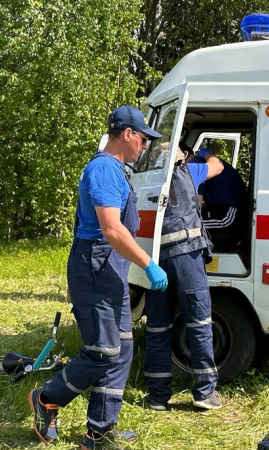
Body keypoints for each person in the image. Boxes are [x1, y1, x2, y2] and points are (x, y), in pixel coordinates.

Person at [29, 106, 168, 450]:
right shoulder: (104, 170)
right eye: (144, 139)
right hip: (94, 268)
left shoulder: (116, 170)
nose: (145, 146)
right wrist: (148, 263)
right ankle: (46, 398)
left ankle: (99, 431)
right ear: (128, 134)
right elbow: (111, 229)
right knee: (103, 351)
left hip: (110, 270)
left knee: (121, 349)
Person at [143, 143, 224, 412]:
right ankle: (204, 392)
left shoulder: (147, 181)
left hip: (155, 259)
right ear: (180, 158)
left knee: (157, 327)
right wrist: (205, 152)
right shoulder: (191, 170)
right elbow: (219, 167)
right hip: (187, 255)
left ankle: (157, 397)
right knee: (199, 322)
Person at [190, 142, 248, 253]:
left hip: (227, 215)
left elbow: (197, 203)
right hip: (221, 209)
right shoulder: (204, 163)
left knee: (189, 226)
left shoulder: (197, 167)